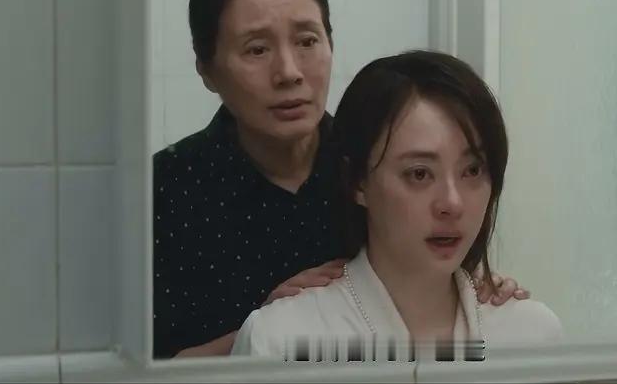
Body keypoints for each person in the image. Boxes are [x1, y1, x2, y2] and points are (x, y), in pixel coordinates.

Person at [153, 0, 529, 359]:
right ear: (206, 68)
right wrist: (263, 336)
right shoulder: (164, 192)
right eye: (257, 49)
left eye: (307, 41)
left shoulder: (377, 157)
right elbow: (131, 370)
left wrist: (473, 289)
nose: (289, 72)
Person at [231, 50, 563, 358]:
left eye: (472, 170)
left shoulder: (529, 334)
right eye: (419, 174)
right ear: (357, 182)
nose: (452, 203)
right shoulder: (281, 339)